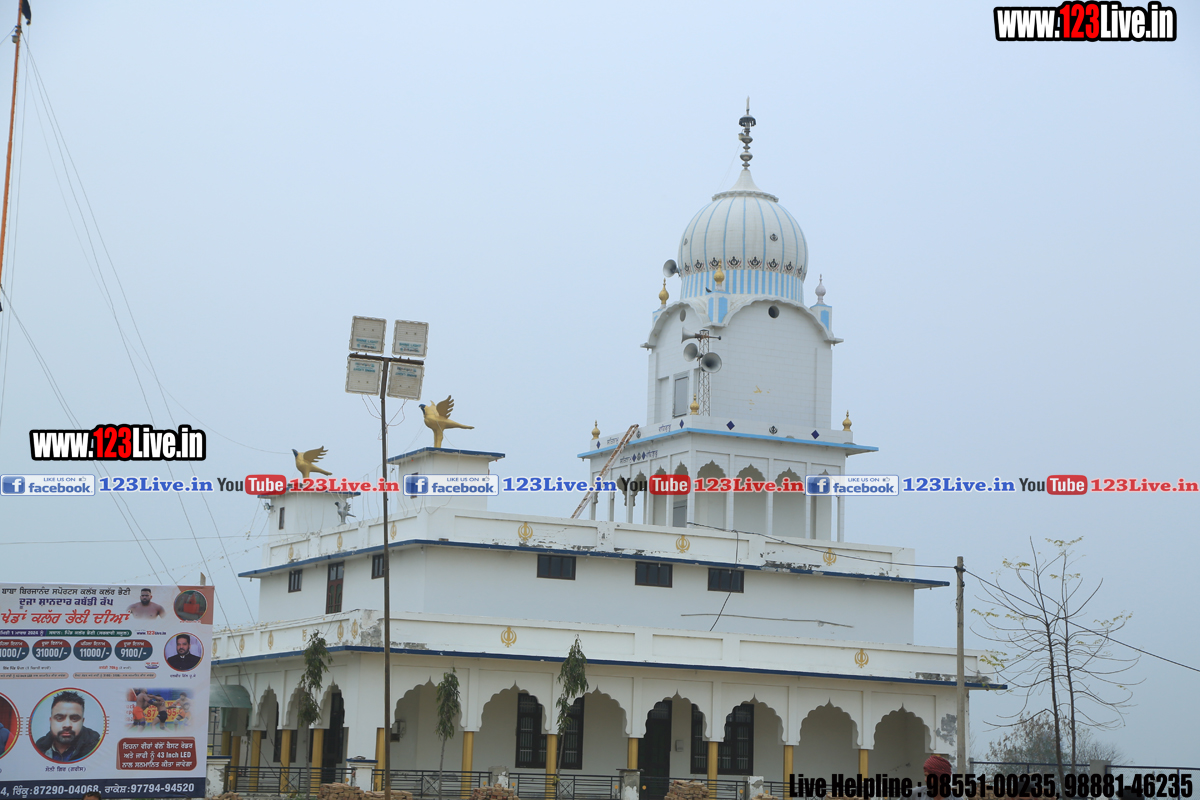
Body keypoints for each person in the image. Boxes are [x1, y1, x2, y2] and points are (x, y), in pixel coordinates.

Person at [34, 691, 102, 763]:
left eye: (74, 718)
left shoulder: (97, 750)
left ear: (82, 721)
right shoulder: (38, 748)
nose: (67, 725)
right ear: (51, 721)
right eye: (59, 718)